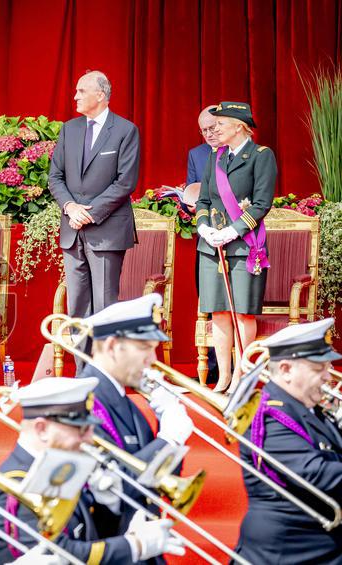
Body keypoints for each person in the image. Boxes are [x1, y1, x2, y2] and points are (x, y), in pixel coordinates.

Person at [0, 377, 185, 563]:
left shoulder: (58, 468)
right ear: (42, 429)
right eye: (80, 429)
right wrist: (135, 545)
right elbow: (57, 552)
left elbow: (86, 534)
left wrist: (111, 509)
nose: (89, 438)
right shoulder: (17, 483)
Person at [80, 294, 194, 540]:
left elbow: (161, 480)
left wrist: (167, 418)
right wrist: (168, 441)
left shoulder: (123, 399)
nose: (152, 360)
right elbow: (111, 487)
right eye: (144, 348)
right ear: (111, 346)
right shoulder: (85, 403)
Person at [48, 70, 140, 368]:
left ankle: (105, 370)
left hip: (106, 230)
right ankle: (82, 370)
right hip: (72, 229)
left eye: (80, 91)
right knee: (77, 305)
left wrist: (89, 213)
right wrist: (71, 207)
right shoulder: (69, 129)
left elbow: (125, 182)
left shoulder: (125, 130)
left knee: (104, 305)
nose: (75, 96)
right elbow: (55, 177)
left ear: (100, 95)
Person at [237, 318, 342, 563]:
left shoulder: (308, 406)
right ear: (285, 370)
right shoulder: (266, 416)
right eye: (319, 369)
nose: (329, 376)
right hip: (291, 552)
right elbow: (314, 474)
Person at [194, 101, 276, 392]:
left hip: (244, 245)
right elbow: (203, 199)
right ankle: (224, 378)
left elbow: (262, 204)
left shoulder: (261, 156)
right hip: (211, 247)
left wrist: (232, 230)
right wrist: (204, 227)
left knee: (242, 311)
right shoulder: (215, 158)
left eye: (221, 124)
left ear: (239, 126)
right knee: (218, 311)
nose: (215, 130)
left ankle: (242, 376)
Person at [187, 105, 221, 381]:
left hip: (238, 237)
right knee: (208, 301)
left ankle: (238, 363)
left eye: (213, 128)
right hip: (207, 239)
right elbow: (192, 192)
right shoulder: (196, 155)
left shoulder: (244, 152)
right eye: (204, 130)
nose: (209, 134)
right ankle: (212, 366)